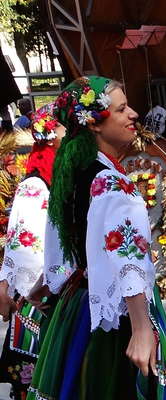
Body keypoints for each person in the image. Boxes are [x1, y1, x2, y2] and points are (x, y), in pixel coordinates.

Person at [27, 76, 166, 400]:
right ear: (94, 124)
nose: (134, 115)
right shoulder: (111, 182)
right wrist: (142, 329)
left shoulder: (74, 171)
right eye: (122, 109)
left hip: (79, 304)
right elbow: (126, 256)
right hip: (115, 316)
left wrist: (48, 282)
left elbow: (63, 240)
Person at [0, 104, 64, 400]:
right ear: (52, 136)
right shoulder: (35, 186)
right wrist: (12, 288)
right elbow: (21, 243)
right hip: (35, 298)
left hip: (53, 291)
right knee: (35, 382)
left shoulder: (60, 175)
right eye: (65, 129)